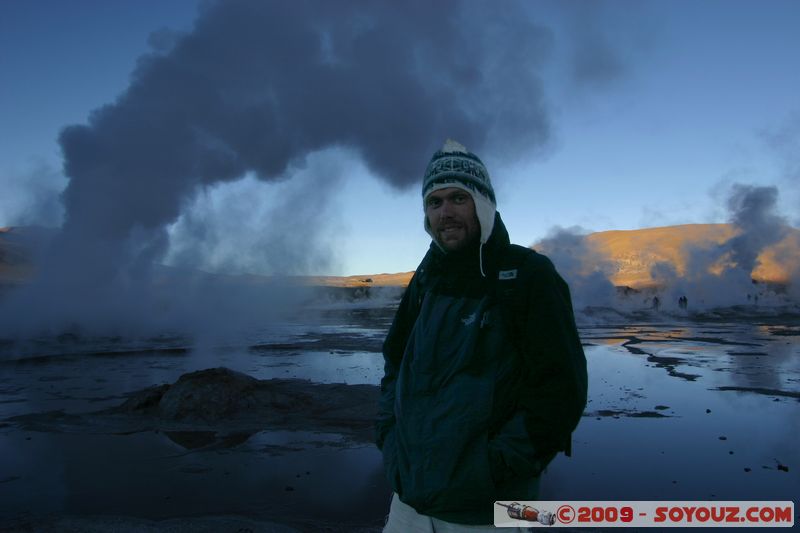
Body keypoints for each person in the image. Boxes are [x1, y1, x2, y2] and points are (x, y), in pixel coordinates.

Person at [376, 140, 587, 531]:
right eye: (434, 202)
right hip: (408, 506)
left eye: (459, 197)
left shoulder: (528, 275)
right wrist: (390, 441)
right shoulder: (426, 280)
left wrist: (495, 467)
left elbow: (560, 390)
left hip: (489, 513)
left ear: (484, 204)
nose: (446, 212)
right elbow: (394, 364)